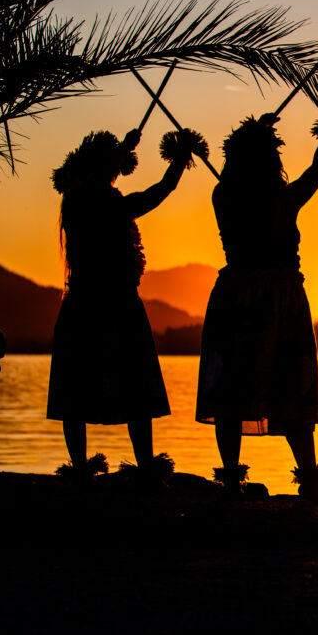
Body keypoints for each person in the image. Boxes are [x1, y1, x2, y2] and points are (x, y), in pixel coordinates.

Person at [196, 113, 318, 502]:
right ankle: (310, 481)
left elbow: (244, 179)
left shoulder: (222, 195)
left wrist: (257, 132)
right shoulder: (284, 199)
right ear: (271, 160)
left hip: (235, 296)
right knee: (289, 384)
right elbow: (317, 170)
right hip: (280, 299)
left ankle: (230, 477)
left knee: (232, 386)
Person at [48, 127, 203, 484]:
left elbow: (77, 176)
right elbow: (156, 194)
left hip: (81, 303)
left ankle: (80, 468)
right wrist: (179, 161)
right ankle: (146, 467)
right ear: (104, 166)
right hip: (116, 304)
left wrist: (124, 148)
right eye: (112, 164)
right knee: (135, 389)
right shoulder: (106, 203)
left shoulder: (73, 198)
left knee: (78, 389)